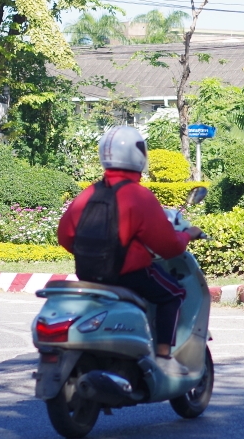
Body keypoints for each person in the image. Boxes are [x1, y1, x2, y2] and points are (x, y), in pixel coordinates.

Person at [57, 126, 203, 371]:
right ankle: (164, 357)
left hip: (88, 274)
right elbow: (168, 247)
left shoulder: (88, 193)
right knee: (174, 293)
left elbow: (65, 237)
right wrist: (188, 234)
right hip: (129, 275)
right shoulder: (139, 196)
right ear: (140, 155)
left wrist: (97, 253)